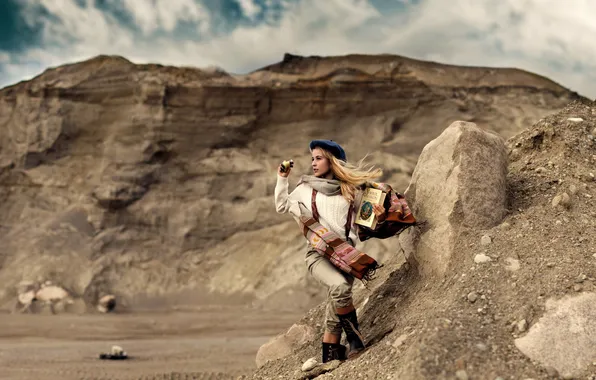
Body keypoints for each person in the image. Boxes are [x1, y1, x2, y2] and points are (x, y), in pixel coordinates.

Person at [274, 139, 393, 363]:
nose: (313, 163)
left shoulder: (350, 190)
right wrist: (282, 178)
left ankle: (330, 354)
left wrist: (377, 213)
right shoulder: (304, 189)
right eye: (312, 159)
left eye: (319, 158)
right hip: (317, 253)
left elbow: (365, 223)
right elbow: (281, 206)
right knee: (338, 287)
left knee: (336, 300)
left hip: (346, 255)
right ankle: (355, 339)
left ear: (332, 161)